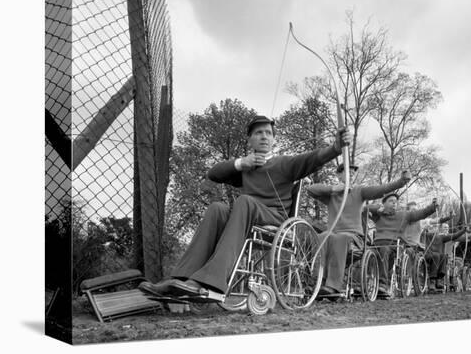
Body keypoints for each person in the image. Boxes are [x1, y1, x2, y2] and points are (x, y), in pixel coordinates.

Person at [139, 115, 352, 298]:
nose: (264, 136)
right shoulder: (246, 165)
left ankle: (212, 282)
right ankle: (182, 279)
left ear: (274, 138)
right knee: (217, 208)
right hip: (245, 217)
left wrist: (335, 147)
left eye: (268, 133)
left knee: (244, 201)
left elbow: (314, 158)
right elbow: (214, 173)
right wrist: (241, 163)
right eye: (258, 133)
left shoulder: (285, 163)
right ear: (250, 139)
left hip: (275, 220)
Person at [306, 165, 411, 297]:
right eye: (348, 172)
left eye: (353, 173)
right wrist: (333, 189)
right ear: (339, 175)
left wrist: (401, 181)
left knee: (340, 238)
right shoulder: (331, 194)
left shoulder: (359, 191)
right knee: (322, 236)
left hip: (354, 237)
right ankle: (316, 282)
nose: (352, 175)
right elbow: (310, 190)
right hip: (333, 233)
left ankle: (333, 285)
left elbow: (381, 189)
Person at [368, 194, 438, 298]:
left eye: (396, 201)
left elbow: (421, 214)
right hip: (377, 244)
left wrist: (432, 207)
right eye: (391, 201)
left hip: (394, 246)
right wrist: (378, 208)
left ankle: (383, 284)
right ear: (384, 204)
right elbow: (365, 209)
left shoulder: (404, 215)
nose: (394, 203)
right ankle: (363, 283)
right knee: (365, 251)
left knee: (384, 250)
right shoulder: (378, 215)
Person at [424, 223, 466, 291]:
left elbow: (454, 236)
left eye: (435, 227)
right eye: (432, 228)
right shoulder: (426, 235)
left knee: (444, 256)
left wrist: (463, 230)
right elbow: (422, 230)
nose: (434, 229)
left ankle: (439, 279)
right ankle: (432, 281)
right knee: (437, 256)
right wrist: (426, 228)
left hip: (437, 257)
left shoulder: (441, 237)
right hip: (428, 256)